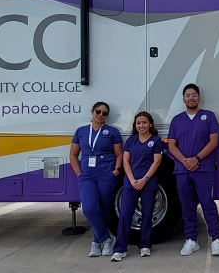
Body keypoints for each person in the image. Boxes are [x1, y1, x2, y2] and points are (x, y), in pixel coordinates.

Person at [167, 83, 219, 256]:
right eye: (187, 95)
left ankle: (216, 239)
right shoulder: (177, 120)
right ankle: (192, 240)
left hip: (203, 169)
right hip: (183, 170)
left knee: (207, 203)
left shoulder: (209, 116)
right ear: (183, 99)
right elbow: (171, 145)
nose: (191, 98)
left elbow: (213, 141)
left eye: (194, 95)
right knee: (187, 205)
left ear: (199, 98)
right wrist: (185, 161)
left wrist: (196, 159)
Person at [70, 101, 123, 257]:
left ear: (107, 116)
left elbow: (119, 154)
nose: (101, 115)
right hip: (87, 175)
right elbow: (73, 154)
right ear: (92, 112)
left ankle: (96, 241)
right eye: (98, 111)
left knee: (106, 209)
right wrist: (79, 173)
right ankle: (105, 238)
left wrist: (116, 170)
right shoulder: (81, 131)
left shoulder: (113, 132)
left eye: (104, 113)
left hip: (107, 174)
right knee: (89, 208)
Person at [110, 111, 165, 262]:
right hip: (131, 183)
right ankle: (120, 248)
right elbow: (125, 161)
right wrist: (133, 179)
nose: (141, 125)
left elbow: (157, 162)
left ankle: (145, 245)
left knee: (147, 214)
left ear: (150, 124)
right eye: (138, 123)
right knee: (125, 214)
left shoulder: (156, 141)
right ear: (135, 125)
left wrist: (145, 179)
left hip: (148, 183)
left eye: (144, 122)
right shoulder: (131, 141)